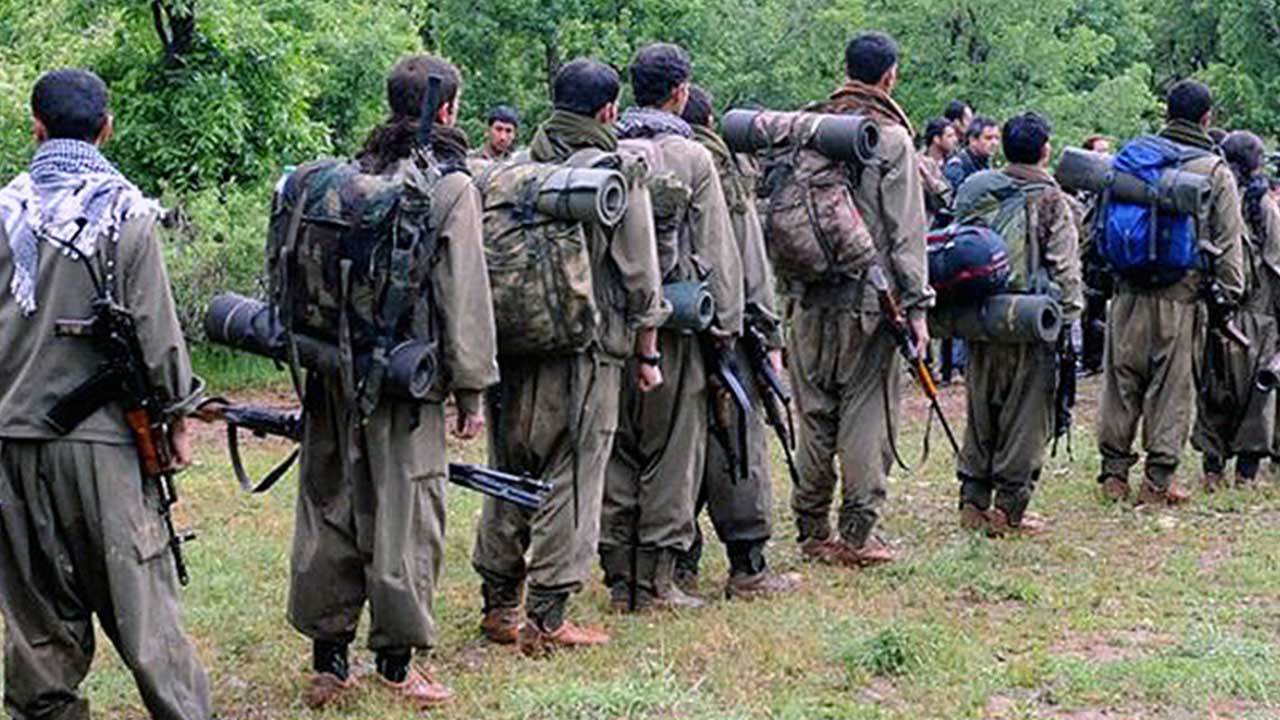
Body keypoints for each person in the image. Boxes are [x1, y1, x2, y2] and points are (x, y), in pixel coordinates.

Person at [282, 54, 499, 709]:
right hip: (406, 380)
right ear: (447, 110)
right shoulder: (449, 185)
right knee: (406, 514)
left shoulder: (346, 175)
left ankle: (329, 660)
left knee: (329, 504)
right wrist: (472, 391)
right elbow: (464, 294)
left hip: (330, 371)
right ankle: (398, 668)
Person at [0, 68, 212, 719]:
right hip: (101, 444)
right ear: (106, 127)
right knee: (144, 609)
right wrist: (178, 416)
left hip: (10, 440)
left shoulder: (6, 207)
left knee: (35, 618)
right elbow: (156, 330)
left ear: (36, 126)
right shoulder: (127, 213)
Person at [471, 58, 669, 652]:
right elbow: (640, 276)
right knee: (573, 477)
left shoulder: (515, 170)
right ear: (609, 111)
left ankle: (500, 606)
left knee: (508, 470)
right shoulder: (615, 172)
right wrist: (647, 352)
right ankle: (549, 617)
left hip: (513, 346)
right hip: (586, 350)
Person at [599, 42, 744, 613]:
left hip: (610, 325)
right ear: (681, 90)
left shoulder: (602, 147)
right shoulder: (692, 158)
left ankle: (617, 579)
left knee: (616, 452)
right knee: (670, 454)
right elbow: (718, 254)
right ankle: (658, 580)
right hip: (677, 328)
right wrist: (726, 330)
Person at [788, 32, 933, 568]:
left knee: (815, 414)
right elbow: (905, 232)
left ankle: (809, 528)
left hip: (806, 296)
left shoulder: (807, 128)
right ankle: (857, 534)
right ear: (889, 75)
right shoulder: (889, 139)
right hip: (872, 304)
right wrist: (917, 308)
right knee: (867, 413)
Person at [673, 84, 800, 600]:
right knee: (736, 446)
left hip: (664, 328)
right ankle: (748, 567)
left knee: (671, 449)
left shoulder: (631, 153)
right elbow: (746, 255)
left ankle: (677, 561)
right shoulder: (718, 168)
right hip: (726, 329)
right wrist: (766, 330)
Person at [1096, 79, 1245, 505]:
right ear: (1206, 118)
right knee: (1171, 386)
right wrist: (1227, 300)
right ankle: (1159, 480)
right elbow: (1229, 242)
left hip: (1125, 291)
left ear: (1166, 114)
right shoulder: (1214, 171)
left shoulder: (1134, 159)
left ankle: (1114, 474)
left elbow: (1099, 223)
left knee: (1120, 381)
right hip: (1181, 296)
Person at [951, 112, 1083, 536]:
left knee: (981, 409)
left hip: (979, 315)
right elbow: (1064, 266)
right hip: (1029, 319)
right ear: (1045, 150)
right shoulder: (1051, 198)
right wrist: (1069, 319)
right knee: (1026, 416)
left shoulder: (977, 189)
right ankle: (1009, 510)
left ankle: (973, 501)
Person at [1191, 130, 1280, 490]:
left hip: (1213, 306)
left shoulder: (1207, 195)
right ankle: (1245, 473)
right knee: (1256, 395)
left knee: (1213, 389)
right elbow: (1276, 264)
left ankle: (1212, 469)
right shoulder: (1264, 207)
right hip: (1257, 312)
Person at [944, 116, 1000, 191]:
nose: (994, 143)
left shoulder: (986, 163)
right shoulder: (957, 166)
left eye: (997, 138)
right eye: (988, 138)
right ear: (973, 140)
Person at [919, 117, 957, 228]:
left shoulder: (953, 162)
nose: (955, 139)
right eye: (949, 136)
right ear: (936, 139)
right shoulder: (919, 163)